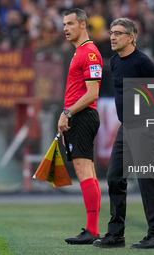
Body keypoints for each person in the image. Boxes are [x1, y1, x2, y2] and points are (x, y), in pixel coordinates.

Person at [93, 17, 154, 249]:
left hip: (145, 127)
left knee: (147, 179)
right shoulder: (116, 60)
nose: (112, 37)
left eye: (118, 33)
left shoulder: (142, 62)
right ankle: (115, 235)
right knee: (115, 178)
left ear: (131, 37)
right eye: (111, 33)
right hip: (126, 128)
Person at [57, 8, 102, 245]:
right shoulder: (79, 52)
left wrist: (67, 112)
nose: (65, 28)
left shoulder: (90, 53)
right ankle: (92, 229)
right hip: (80, 116)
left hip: (82, 116)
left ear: (83, 25)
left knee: (84, 171)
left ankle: (92, 230)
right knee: (89, 173)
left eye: (70, 24)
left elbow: (92, 92)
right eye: (64, 24)